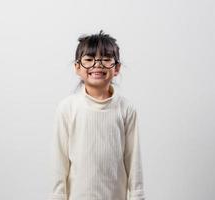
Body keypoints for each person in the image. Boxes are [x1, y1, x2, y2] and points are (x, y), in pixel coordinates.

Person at [49, 30, 145, 200]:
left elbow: (133, 160)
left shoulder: (126, 109)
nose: (97, 65)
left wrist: (138, 196)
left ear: (116, 68)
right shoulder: (67, 108)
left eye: (106, 59)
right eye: (89, 59)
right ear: (77, 67)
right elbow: (59, 161)